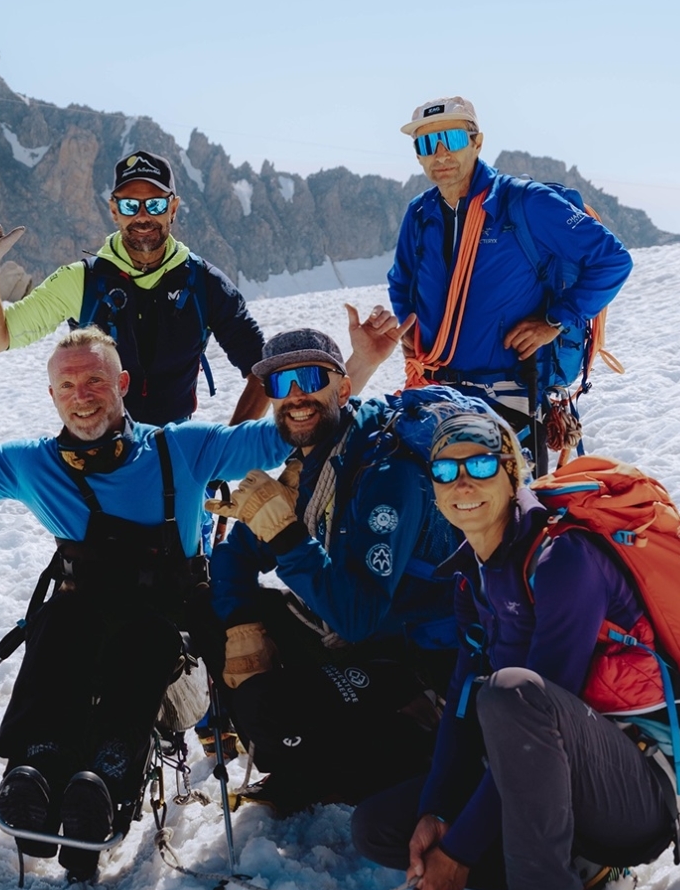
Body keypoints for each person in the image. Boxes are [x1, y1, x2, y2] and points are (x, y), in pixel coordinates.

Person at [0, 326, 291, 877]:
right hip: (81, 619)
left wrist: (354, 366)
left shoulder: (181, 449)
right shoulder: (34, 464)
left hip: (166, 631)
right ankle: (38, 766)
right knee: (59, 623)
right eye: (66, 384)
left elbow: (285, 432)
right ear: (51, 396)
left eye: (94, 380)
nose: (81, 395)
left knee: (139, 638)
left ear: (121, 383)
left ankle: (111, 773)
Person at [351, 404, 680, 890]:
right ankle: (580, 872)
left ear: (512, 473)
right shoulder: (471, 578)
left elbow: (538, 703)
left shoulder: (563, 559)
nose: (462, 483)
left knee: (513, 692)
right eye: (445, 471)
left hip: (637, 784)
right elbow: (462, 710)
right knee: (382, 828)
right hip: (554, 774)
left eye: (481, 464)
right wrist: (437, 813)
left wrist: (460, 852)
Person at [208, 329, 498, 815]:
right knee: (207, 612)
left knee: (273, 713)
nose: (296, 396)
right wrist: (241, 632)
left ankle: (386, 762)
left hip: (417, 657)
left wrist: (286, 537)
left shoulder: (387, 476)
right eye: (281, 385)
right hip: (361, 636)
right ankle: (322, 756)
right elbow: (236, 555)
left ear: (342, 390)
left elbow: (357, 616)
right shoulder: (315, 465)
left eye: (310, 378)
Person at [369, 97, 632, 462]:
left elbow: (612, 260)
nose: (441, 154)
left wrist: (556, 320)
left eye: (453, 139)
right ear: (418, 155)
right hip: (438, 393)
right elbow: (402, 282)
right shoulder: (420, 213)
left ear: (477, 142)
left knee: (504, 517)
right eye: (428, 144)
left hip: (511, 398)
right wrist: (411, 337)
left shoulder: (524, 202)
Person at [0, 148, 269, 426]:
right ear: (114, 210)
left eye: (155, 204)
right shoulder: (80, 281)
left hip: (176, 456)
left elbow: (262, 370)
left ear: (173, 208)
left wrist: (226, 454)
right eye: (130, 205)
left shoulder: (206, 284)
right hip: (95, 457)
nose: (143, 216)